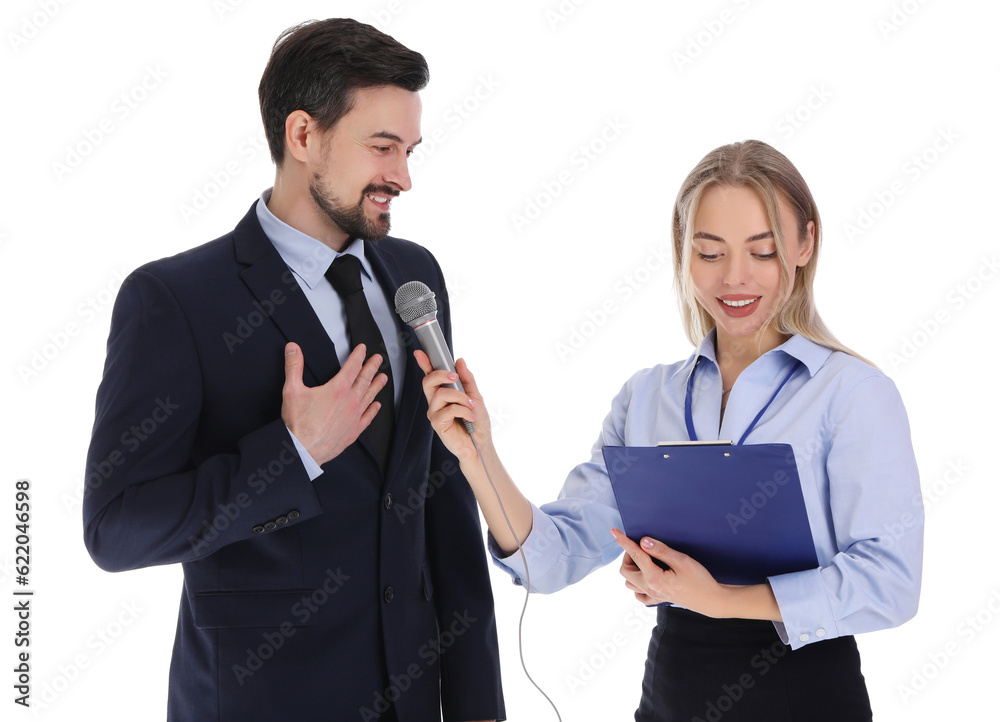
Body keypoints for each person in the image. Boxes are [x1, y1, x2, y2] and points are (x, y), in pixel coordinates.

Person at [83, 18, 503, 722]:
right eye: (383, 148)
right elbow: (116, 529)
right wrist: (294, 453)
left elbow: (442, 500)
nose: (402, 176)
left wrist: (478, 705)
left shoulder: (413, 276)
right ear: (303, 136)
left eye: (409, 150)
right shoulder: (177, 300)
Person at [417, 140, 922, 721]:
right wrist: (478, 455)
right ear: (682, 250)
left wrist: (718, 598)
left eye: (763, 251)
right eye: (709, 252)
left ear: (805, 243)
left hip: (803, 697)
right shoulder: (647, 397)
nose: (735, 278)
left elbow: (891, 584)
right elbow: (550, 561)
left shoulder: (852, 394)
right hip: (672, 695)